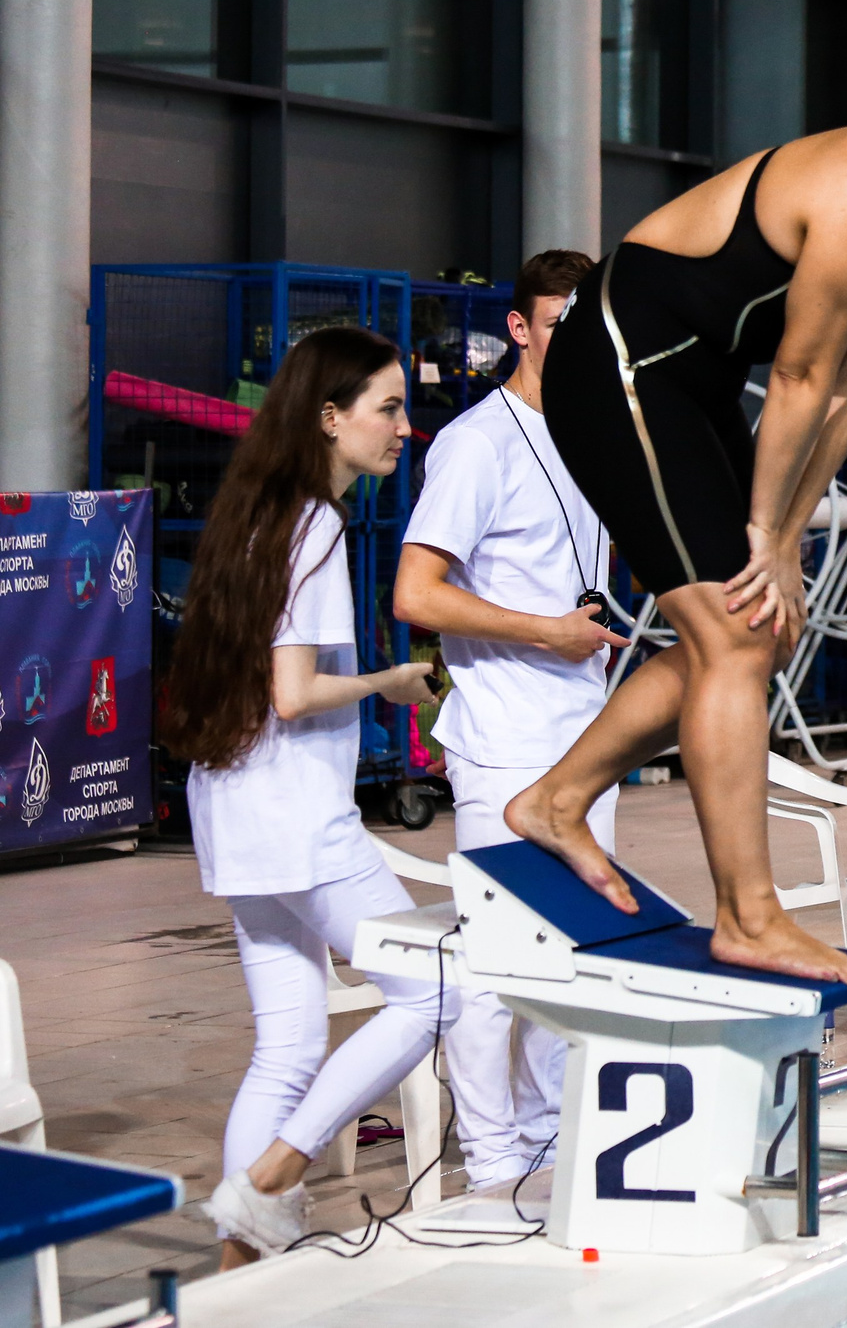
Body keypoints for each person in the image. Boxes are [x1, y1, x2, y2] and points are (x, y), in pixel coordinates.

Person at [507, 0, 847, 985]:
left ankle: (558, 799)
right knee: (740, 625)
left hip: (693, 379)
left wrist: (785, 531)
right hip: (617, 364)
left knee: (753, 627)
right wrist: (768, 533)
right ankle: (747, 916)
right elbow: (795, 376)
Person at [159, 326, 453, 1265]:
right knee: (432, 987)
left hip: (235, 807)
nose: (404, 427)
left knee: (286, 1046)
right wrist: (388, 682)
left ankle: (240, 1262)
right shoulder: (315, 524)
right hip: (294, 813)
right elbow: (293, 691)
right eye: (388, 407)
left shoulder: (254, 509)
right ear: (331, 418)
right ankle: (273, 1178)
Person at [391, 249, 626, 1192]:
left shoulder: (599, 432)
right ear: (521, 330)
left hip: (586, 734)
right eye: (559, 322)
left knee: (572, 947)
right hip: (504, 741)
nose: (577, 342)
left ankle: (550, 1133)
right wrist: (545, 632)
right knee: (497, 959)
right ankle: (492, 1159)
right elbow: (417, 590)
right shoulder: (477, 443)